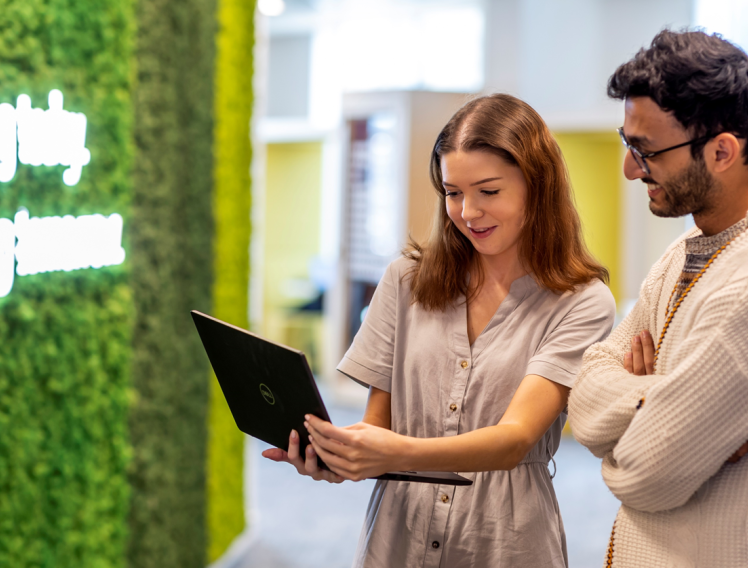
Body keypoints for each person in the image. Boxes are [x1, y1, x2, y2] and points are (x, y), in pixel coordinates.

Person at [263, 93, 615, 567]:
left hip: (505, 545)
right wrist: (341, 457)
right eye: (453, 192)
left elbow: (514, 439)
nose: (468, 212)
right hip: (397, 542)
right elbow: (378, 427)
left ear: (539, 186)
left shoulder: (581, 301)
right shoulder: (405, 280)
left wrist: (394, 453)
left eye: (488, 192)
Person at [568, 29, 748, 568]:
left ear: (721, 151)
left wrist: (651, 415)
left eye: (645, 150)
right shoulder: (682, 252)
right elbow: (584, 397)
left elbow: (649, 472)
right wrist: (657, 399)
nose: (629, 168)